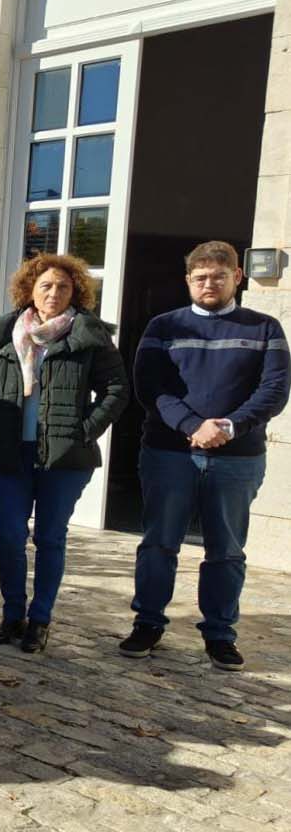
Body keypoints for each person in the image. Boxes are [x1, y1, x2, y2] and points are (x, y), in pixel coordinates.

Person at [121, 241, 288, 671]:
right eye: (200, 277)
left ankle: (219, 634)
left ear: (238, 277)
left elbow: (273, 390)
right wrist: (193, 426)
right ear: (188, 281)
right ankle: (148, 624)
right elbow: (150, 387)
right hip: (168, 452)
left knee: (227, 549)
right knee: (159, 543)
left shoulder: (265, 328)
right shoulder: (163, 326)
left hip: (238, 457)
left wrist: (228, 426)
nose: (209, 283)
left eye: (218, 275)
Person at [0, 255, 128, 653]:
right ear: (30, 291)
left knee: (49, 537)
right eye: (46, 286)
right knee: (8, 534)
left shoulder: (89, 335)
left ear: (75, 291)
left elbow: (116, 390)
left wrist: (83, 431)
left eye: (63, 286)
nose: (54, 293)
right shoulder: (9, 333)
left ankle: (39, 620)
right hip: (13, 455)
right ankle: (12, 615)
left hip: (65, 459)